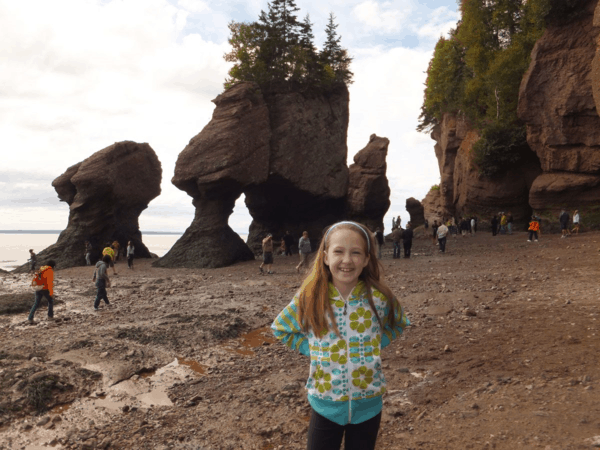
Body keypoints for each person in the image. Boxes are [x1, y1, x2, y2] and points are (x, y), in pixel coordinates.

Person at [271, 221, 409, 450]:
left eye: (356, 253)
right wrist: (313, 349)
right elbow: (281, 329)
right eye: (338, 252)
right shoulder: (311, 296)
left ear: (366, 259)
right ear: (325, 257)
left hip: (369, 405)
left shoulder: (380, 297)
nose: (347, 260)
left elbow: (399, 323)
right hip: (325, 404)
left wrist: (374, 344)